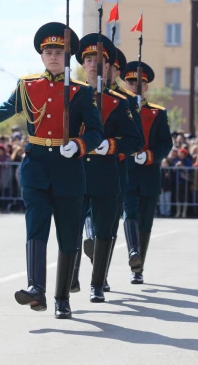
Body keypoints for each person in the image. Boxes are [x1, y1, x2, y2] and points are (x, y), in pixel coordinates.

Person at [0, 22, 104, 319]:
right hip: (36, 166)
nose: (53, 56)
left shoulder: (80, 92)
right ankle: (36, 287)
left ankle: (62, 297)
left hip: (68, 170)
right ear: (41, 55)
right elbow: (6, 108)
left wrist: (79, 144)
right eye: (48, 51)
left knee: (68, 236)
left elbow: (95, 133)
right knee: (36, 228)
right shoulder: (28, 85)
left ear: (67, 57)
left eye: (59, 52)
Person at [71, 33, 142, 302]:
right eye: (87, 59)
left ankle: (97, 283)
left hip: (106, 173)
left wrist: (109, 145)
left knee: (103, 231)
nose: (92, 64)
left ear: (108, 65)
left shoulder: (119, 101)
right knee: (71, 228)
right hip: (75, 172)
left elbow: (136, 139)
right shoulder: (71, 95)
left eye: (97, 59)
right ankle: (72, 276)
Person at [121, 60, 173, 285]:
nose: (136, 86)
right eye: (131, 82)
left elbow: (166, 143)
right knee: (129, 213)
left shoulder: (157, 113)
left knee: (145, 222)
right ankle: (133, 253)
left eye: (140, 83)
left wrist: (150, 155)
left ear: (147, 86)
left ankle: (138, 267)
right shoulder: (120, 108)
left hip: (149, 173)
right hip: (127, 171)